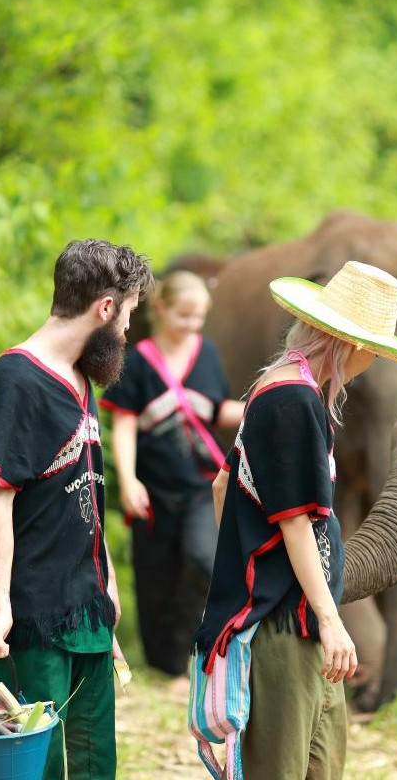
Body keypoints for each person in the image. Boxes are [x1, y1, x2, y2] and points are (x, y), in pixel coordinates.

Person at [192, 261, 397, 779]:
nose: (373, 360)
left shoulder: (287, 391)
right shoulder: (292, 400)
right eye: (375, 348)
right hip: (284, 623)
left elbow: (222, 487)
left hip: (294, 617)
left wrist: (244, 561)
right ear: (350, 343)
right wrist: (327, 618)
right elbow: (296, 522)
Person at [0, 239, 153, 780]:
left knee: (95, 763)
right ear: (105, 308)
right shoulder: (11, 383)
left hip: (84, 610)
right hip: (26, 615)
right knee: (31, 767)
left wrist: (106, 595)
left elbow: (86, 493)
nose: (128, 331)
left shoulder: (82, 379)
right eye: (130, 313)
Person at [99, 270, 243, 684]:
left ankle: (198, 649)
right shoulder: (138, 360)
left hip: (200, 486)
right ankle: (165, 664)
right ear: (160, 309)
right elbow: (124, 425)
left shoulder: (207, 354)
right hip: (153, 488)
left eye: (199, 317)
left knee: (204, 558)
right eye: (184, 315)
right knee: (155, 573)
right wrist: (128, 480)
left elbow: (215, 412)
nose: (192, 325)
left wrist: (265, 405)